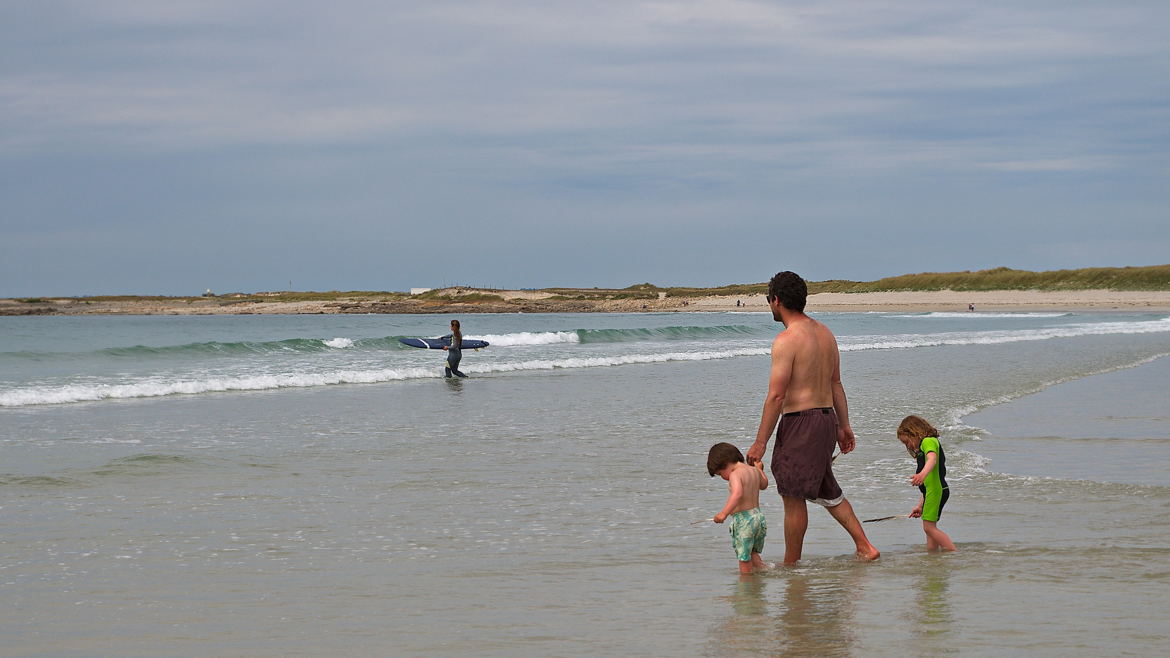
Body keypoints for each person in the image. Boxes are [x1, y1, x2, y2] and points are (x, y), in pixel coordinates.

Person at [746, 271, 879, 564]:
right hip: (825, 419)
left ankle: (791, 564)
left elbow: (777, 396)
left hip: (800, 423)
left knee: (793, 496)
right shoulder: (825, 334)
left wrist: (760, 443)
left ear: (776, 300)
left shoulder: (786, 340)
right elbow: (836, 384)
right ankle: (865, 547)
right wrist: (843, 426)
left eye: (769, 300)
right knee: (826, 488)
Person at [896, 415, 957, 551]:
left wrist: (922, 474)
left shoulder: (928, 441)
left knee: (929, 528)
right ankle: (932, 558)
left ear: (914, 432)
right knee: (930, 530)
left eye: (907, 442)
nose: (908, 446)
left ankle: (954, 554)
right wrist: (920, 506)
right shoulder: (923, 447)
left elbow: (932, 459)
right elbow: (928, 486)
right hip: (933, 492)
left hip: (937, 491)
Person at [708, 442, 770, 574]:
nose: (723, 478)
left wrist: (723, 514)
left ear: (725, 464)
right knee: (752, 553)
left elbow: (737, 494)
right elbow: (764, 485)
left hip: (744, 521)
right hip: (758, 519)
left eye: (720, 474)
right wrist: (759, 469)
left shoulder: (735, 474)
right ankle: (767, 572)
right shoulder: (753, 470)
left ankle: (745, 588)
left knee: (744, 558)